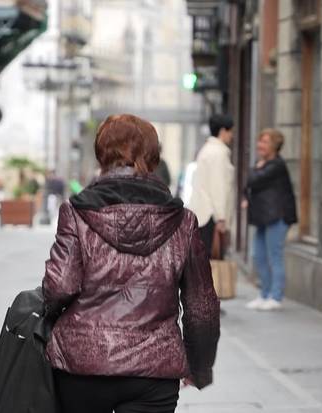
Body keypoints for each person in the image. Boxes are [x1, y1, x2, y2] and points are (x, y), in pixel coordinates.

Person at [43, 114, 220, 413]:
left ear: (102, 155)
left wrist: (51, 319)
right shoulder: (183, 221)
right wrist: (199, 366)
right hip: (154, 368)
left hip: (84, 365)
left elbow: (60, 285)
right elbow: (201, 305)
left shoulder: (76, 212)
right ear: (153, 157)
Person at [243, 129, 297, 311]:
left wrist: (255, 170)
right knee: (258, 256)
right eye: (260, 141)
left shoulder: (276, 165)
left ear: (274, 146)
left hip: (278, 217)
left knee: (274, 256)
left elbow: (253, 179)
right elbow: (249, 183)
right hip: (263, 217)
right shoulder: (264, 164)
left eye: (265, 142)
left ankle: (276, 296)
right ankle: (264, 294)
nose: (260, 145)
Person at [187, 114, 236, 256]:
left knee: (203, 261)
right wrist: (221, 217)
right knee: (211, 261)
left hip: (204, 213)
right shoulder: (218, 153)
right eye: (230, 131)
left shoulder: (208, 150)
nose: (231, 135)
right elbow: (218, 187)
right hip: (211, 216)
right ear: (222, 131)